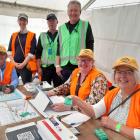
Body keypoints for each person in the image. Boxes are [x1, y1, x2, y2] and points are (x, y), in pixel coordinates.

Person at [59, 56, 140, 139]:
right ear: (114, 75)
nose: (123, 76)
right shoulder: (113, 93)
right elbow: (95, 112)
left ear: (136, 76)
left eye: (128, 72)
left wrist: (116, 126)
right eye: (119, 72)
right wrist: (77, 100)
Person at [56, 0, 94, 82]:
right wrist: (57, 66)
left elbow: (90, 45)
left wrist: (90, 64)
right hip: (64, 68)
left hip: (80, 66)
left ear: (80, 12)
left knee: (78, 91)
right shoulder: (61, 28)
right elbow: (58, 48)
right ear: (67, 12)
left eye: (76, 10)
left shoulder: (85, 25)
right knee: (65, 91)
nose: (73, 13)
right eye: (71, 10)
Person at [8, 13, 37, 84]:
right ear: (18, 21)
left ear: (27, 22)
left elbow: (31, 53)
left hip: (26, 66)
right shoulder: (14, 35)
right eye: (20, 20)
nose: (22, 22)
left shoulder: (32, 35)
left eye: (24, 20)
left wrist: (22, 64)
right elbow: (9, 52)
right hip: (14, 65)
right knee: (11, 85)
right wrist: (14, 63)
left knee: (27, 87)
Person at [36, 13, 62, 87]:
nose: (51, 23)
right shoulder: (42, 35)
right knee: (45, 88)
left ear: (57, 22)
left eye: (53, 20)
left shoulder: (62, 35)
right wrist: (38, 68)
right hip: (45, 68)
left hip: (58, 67)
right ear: (47, 23)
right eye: (49, 21)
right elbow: (38, 53)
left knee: (58, 88)